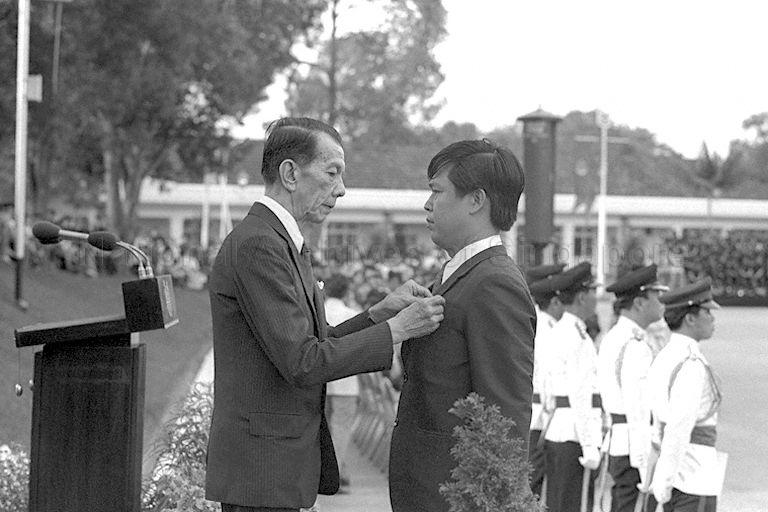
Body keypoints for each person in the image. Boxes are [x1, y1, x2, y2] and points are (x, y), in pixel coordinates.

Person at [205, 117, 446, 512]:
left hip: (273, 467)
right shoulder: (259, 245)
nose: (341, 189)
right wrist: (395, 331)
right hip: (261, 470)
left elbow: (314, 341)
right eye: (331, 172)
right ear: (290, 173)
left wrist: (377, 315)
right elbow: (302, 361)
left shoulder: (279, 241)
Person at [388, 139, 536, 512]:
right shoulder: (461, 274)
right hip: (428, 490)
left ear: (476, 201)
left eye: (437, 191)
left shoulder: (494, 283)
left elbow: (504, 415)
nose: (427, 204)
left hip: (453, 498)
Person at [647, 279, 724, 512]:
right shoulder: (691, 363)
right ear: (689, 318)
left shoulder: (666, 354)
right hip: (692, 474)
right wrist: (665, 481)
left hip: (670, 468)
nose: (712, 318)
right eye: (707, 312)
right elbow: (680, 424)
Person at [598, 264, 669, 512]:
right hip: (634, 445)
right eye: (656, 296)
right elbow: (638, 407)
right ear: (639, 303)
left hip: (622, 440)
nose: (661, 302)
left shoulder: (619, 337)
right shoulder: (634, 343)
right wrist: (644, 461)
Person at [540, 262, 602, 512]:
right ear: (581, 296)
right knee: (572, 505)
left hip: (561, 428)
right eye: (593, 293)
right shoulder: (574, 336)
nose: (596, 300)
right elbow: (580, 394)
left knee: (560, 503)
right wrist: (589, 444)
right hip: (573, 433)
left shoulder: (565, 331)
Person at [525, 263, 566, 497]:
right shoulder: (544, 326)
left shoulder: (541, 322)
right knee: (532, 484)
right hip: (539, 413)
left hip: (540, 412)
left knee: (535, 484)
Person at [322, 273, 361, 492]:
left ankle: (330, 471)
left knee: (325, 428)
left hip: (321, 378)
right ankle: (334, 474)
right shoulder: (352, 314)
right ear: (347, 291)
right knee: (341, 429)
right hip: (346, 381)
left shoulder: (319, 311)